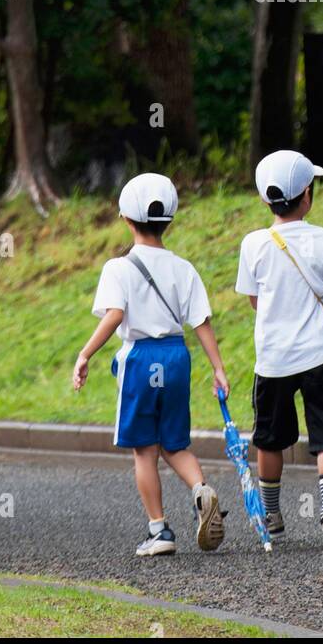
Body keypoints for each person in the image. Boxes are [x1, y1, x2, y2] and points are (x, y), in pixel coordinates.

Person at [72, 171, 229, 557]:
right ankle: (200, 490)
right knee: (173, 442)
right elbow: (202, 322)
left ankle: (159, 531)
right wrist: (219, 368)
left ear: (126, 219)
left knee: (145, 449)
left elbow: (114, 315)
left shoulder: (118, 268)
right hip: (177, 356)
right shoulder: (183, 268)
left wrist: (85, 354)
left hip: (141, 359)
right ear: (169, 221)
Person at [237, 150, 323, 545]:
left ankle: (271, 516)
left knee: (269, 438)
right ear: (308, 195)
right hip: (319, 355)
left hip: (273, 360)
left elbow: (255, 300)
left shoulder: (253, 244)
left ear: (264, 199)